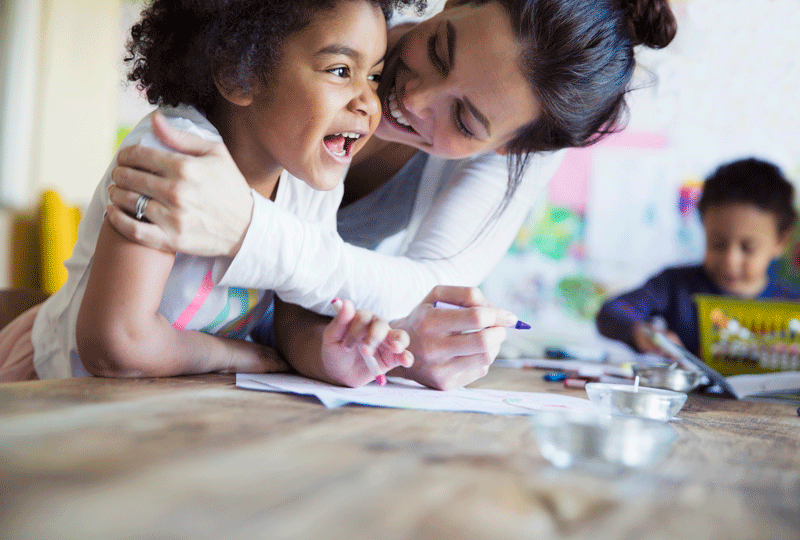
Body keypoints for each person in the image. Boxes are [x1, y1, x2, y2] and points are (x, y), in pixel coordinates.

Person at [104, 0, 678, 389]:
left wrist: (253, 235)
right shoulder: (328, 22)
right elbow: (112, 334)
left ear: (507, 149)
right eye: (439, 50)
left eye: (467, 120)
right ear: (451, 2)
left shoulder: (315, 178)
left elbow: (415, 290)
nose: (415, 98)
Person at [0, 0, 429, 384]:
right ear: (238, 74)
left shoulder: (309, 180)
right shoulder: (173, 153)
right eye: (340, 71)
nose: (369, 103)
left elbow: (292, 321)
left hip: (164, 407)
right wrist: (238, 356)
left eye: (373, 76)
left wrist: (331, 354)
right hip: (52, 391)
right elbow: (117, 344)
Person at [596, 157, 800, 357]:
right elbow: (612, 313)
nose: (730, 259)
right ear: (704, 226)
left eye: (748, 248)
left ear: (780, 242)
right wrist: (640, 332)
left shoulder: (793, 308)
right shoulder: (675, 286)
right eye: (717, 244)